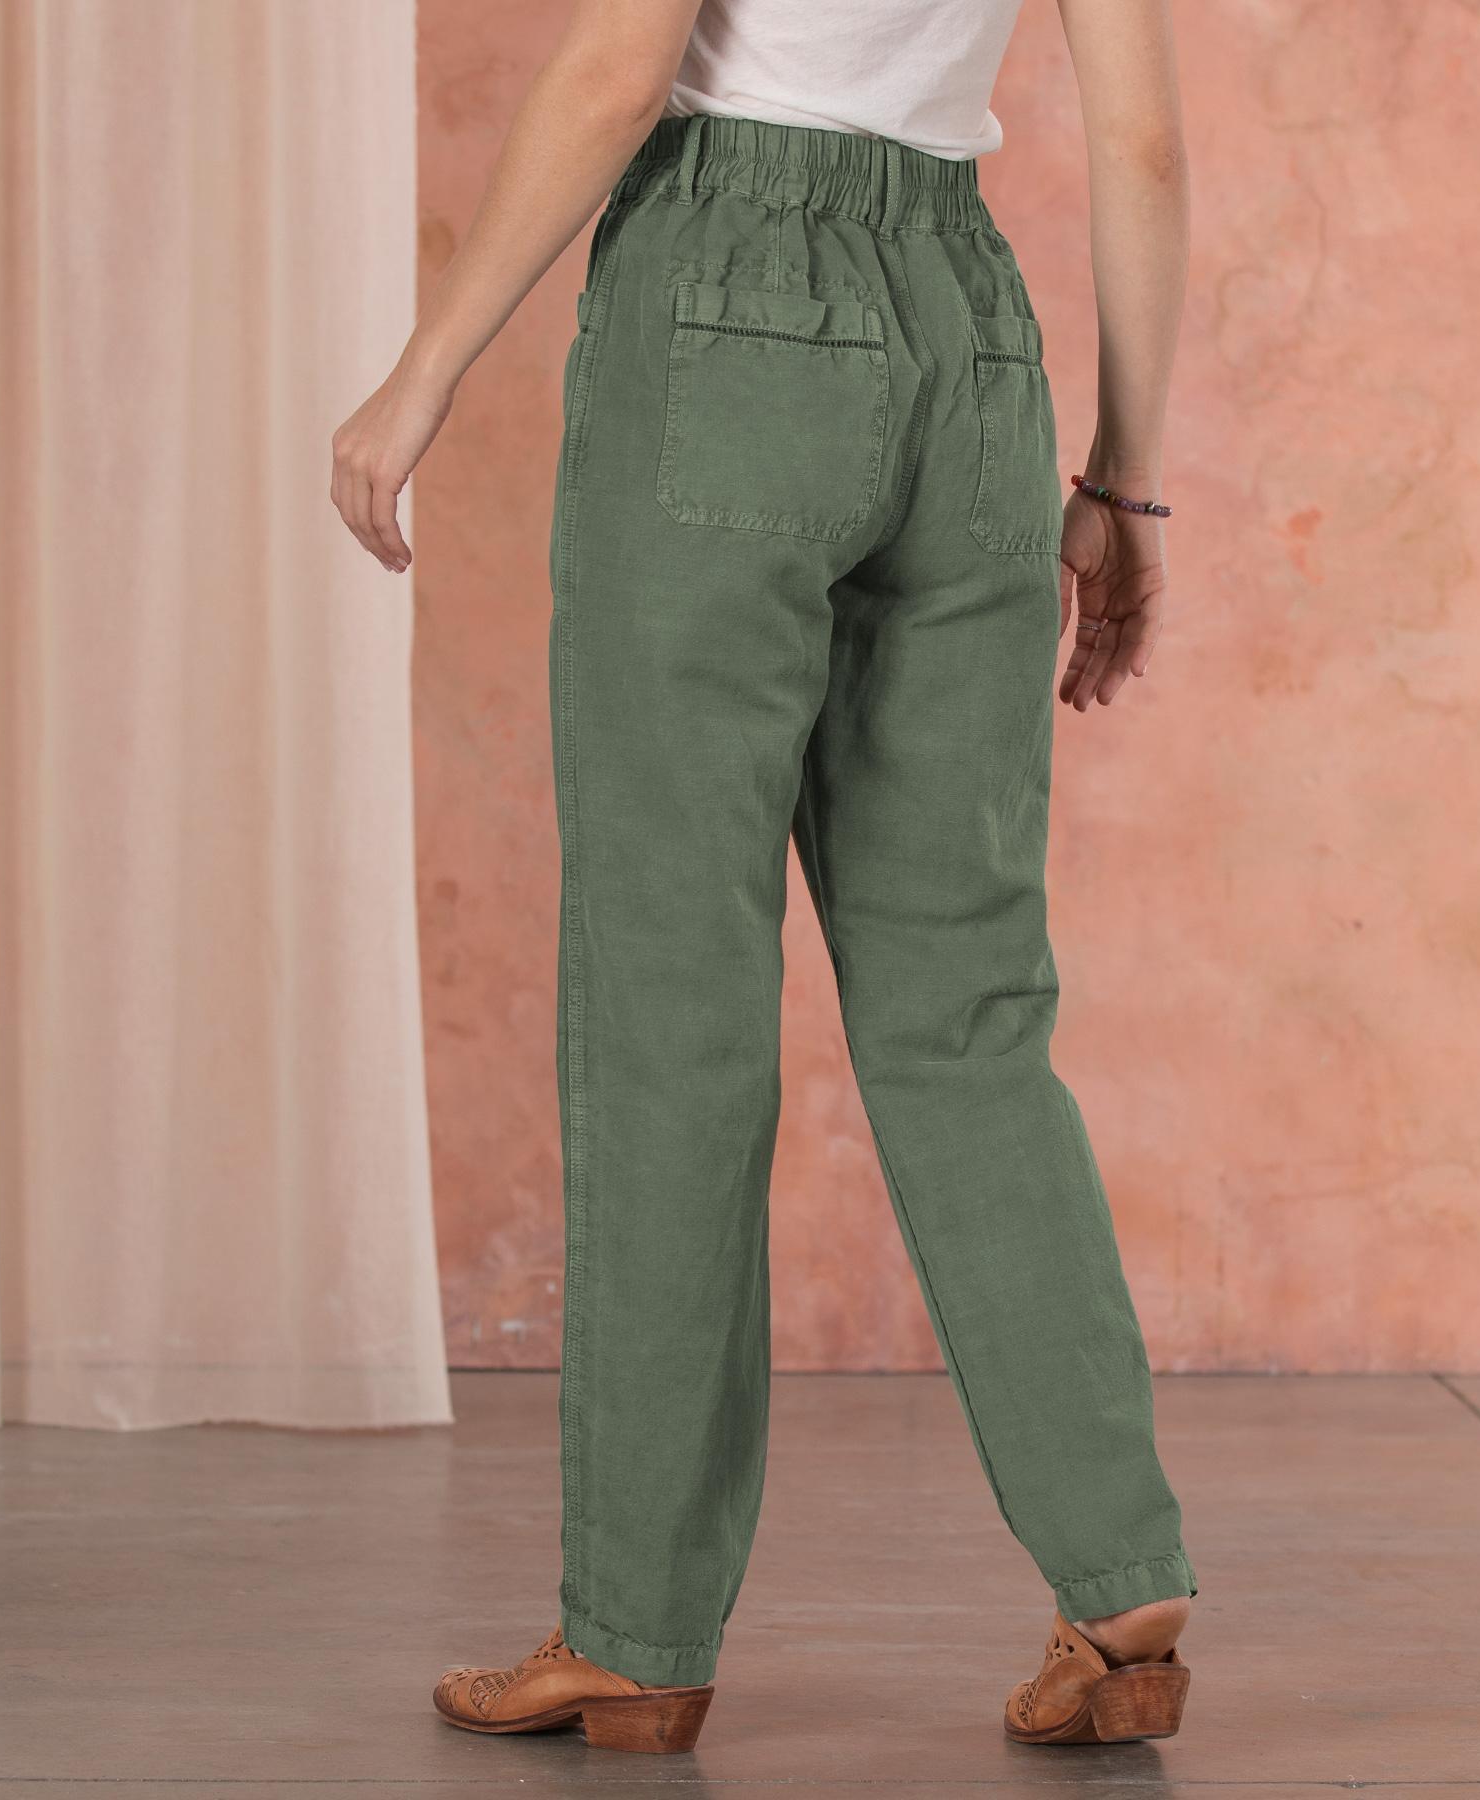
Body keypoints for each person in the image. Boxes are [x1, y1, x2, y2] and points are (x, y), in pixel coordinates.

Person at [332, 0, 1194, 1756]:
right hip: (974, 334)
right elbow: (1147, 144)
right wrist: (1125, 482)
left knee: (675, 1000)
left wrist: (424, 367)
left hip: (726, 304)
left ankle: (637, 1631)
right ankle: (1122, 1589)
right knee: (969, 1010)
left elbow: (617, 67)